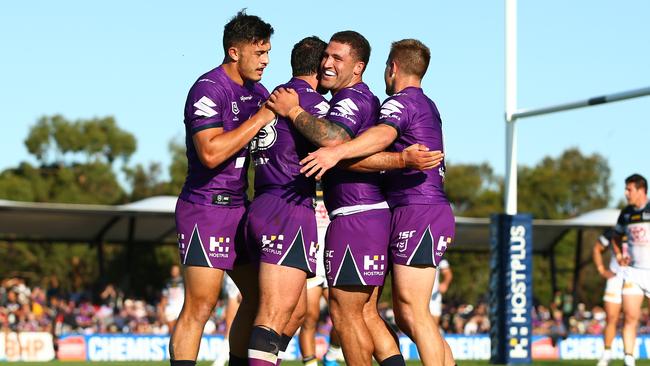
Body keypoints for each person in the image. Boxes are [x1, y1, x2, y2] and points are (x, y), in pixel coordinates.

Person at [267, 31, 436, 366]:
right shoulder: (358, 99)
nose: (326, 64)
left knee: (345, 315)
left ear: (358, 67)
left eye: (336, 58)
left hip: (357, 216)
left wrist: (293, 111)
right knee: (368, 314)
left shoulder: (352, 99)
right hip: (367, 216)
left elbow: (333, 140)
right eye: (325, 57)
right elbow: (348, 153)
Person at [169, 10, 274, 366]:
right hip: (205, 208)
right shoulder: (208, 88)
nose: (265, 61)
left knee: (261, 299)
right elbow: (211, 152)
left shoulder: (259, 92)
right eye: (259, 53)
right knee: (201, 305)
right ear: (234, 51)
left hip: (240, 209)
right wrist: (260, 118)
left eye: (268, 52)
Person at [244, 36, 330, 366]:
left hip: (264, 203)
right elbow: (336, 137)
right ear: (321, 65)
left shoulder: (270, 97)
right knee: (274, 313)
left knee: (294, 314)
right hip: (288, 207)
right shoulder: (308, 102)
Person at [614, 174, 650, 366]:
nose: (626, 193)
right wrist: (620, 255)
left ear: (641, 190)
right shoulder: (626, 213)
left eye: (630, 189)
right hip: (634, 272)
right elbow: (616, 236)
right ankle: (629, 361)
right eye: (626, 189)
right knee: (629, 316)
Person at [593, 228, 622, 366]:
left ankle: (629, 357)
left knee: (632, 317)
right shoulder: (613, 231)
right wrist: (601, 269)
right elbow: (597, 248)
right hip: (615, 279)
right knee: (611, 317)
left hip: (637, 278)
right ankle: (607, 354)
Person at [159, 265, 184, 333]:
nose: (174, 272)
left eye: (176, 270)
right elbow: (164, 297)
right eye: (173, 270)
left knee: (181, 328)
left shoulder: (184, 282)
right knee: (171, 328)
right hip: (171, 307)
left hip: (181, 306)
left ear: (179, 271)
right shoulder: (167, 283)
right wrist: (162, 310)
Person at [430, 259, 452, 326]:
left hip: (433, 297)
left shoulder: (438, 257)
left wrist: (445, 284)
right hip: (416, 295)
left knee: (434, 324)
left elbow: (448, 273)